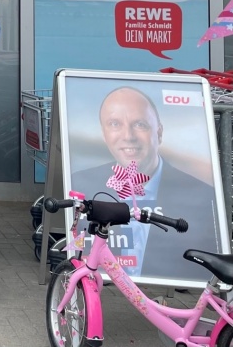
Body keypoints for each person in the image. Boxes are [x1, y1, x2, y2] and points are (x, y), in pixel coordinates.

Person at [71, 86, 221, 280]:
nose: (128, 136)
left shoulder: (202, 195)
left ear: (159, 133)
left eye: (140, 124)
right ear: (103, 133)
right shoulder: (81, 182)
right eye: (115, 124)